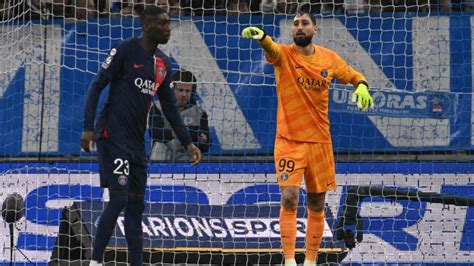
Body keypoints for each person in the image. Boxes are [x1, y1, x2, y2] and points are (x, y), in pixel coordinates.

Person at [241, 5, 373, 266]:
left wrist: (362, 86)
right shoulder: (285, 56)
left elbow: (354, 75)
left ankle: (311, 261)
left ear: (315, 29)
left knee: (316, 202)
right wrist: (263, 37)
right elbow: (272, 49)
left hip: (320, 143)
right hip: (289, 141)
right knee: (289, 198)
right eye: (295, 23)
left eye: (304, 23)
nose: (299, 27)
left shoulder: (328, 58)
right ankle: (289, 260)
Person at [80, 6, 201, 266]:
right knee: (119, 198)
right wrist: (88, 127)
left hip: (136, 144)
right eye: (164, 24)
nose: (169, 28)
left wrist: (188, 142)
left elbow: (169, 107)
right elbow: (97, 85)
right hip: (111, 135)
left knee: (136, 206)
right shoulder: (124, 50)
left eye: (169, 24)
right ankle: (95, 261)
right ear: (147, 26)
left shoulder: (163, 63)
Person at [149, 70, 211, 161]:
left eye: (187, 91)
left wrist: (203, 140)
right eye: (180, 90)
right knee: (160, 144)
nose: (184, 94)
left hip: (187, 157)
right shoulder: (158, 108)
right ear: (172, 89)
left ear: (192, 92)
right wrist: (181, 133)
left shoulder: (199, 113)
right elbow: (155, 133)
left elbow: (206, 145)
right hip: (162, 157)